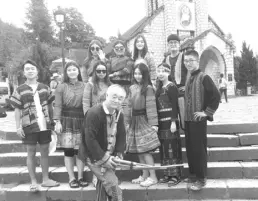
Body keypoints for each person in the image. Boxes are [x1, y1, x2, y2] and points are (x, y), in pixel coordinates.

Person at [9, 60, 59, 192]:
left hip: (45, 125)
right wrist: (18, 127)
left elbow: (50, 105)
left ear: (37, 71)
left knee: (44, 152)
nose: (30, 71)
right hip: (28, 126)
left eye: (32, 68)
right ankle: (33, 181)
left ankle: (46, 179)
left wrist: (53, 122)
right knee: (30, 153)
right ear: (24, 73)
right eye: (27, 69)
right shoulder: (19, 90)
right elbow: (17, 110)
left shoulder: (45, 87)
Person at [78, 84, 127, 201]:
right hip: (94, 156)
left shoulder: (119, 114)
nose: (117, 100)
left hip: (110, 156)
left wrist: (119, 154)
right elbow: (90, 139)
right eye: (114, 97)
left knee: (103, 184)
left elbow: (121, 136)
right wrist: (104, 158)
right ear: (106, 95)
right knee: (113, 185)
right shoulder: (93, 113)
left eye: (120, 98)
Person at [183, 50, 220, 191]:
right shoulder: (189, 77)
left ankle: (201, 178)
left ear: (197, 61)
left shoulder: (204, 77)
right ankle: (193, 175)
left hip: (198, 120)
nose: (188, 63)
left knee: (199, 149)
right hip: (188, 120)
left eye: (191, 60)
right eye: (186, 61)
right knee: (191, 149)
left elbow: (216, 96)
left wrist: (206, 113)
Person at [53, 61, 88, 189]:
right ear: (66, 73)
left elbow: (89, 103)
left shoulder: (85, 86)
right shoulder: (61, 87)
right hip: (66, 119)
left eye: (74, 69)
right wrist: (57, 121)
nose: (72, 72)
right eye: (69, 70)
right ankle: (71, 178)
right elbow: (57, 105)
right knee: (68, 151)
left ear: (78, 71)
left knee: (80, 151)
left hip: (81, 119)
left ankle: (80, 177)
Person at [126, 63, 160, 187]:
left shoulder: (149, 88)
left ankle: (153, 177)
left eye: (140, 73)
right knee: (139, 151)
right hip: (134, 121)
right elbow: (128, 105)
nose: (137, 76)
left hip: (144, 120)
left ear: (145, 74)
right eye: (135, 73)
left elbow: (151, 106)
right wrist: (127, 122)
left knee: (146, 151)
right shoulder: (132, 88)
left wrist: (154, 124)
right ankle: (144, 175)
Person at [82, 60, 111, 186]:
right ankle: (96, 176)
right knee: (95, 148)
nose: (101, 73)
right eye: (98, 71)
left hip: (107, 119)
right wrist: (88, 117)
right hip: (94, 118)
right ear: (94, 72)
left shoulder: (110, 85)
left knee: (107, 147)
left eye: (103, 71)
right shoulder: (90, 84)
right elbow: (85, 102)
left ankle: (108, 174)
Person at [155, 63, 183, 186]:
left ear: (168, 73)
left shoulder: (172, 87)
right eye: (159, 71)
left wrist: (173, 122)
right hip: (161, 123)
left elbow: (175, 106)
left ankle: (175, 175)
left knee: (172, 148)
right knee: (164, 149)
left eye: (163, 71)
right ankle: (167, 173)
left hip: (170, 122)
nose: (161, 73)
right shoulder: (159, 88)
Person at [163, 34, 188, 129]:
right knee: (171, 120)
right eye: (170, 43)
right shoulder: (165, 59)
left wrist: (188, 86)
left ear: (179, 44)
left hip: (182, 92)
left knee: (184, 119)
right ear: (168, 45)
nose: (173, 44)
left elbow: (190, 73)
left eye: (175, 42)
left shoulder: (184, 57)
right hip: (169, 93)